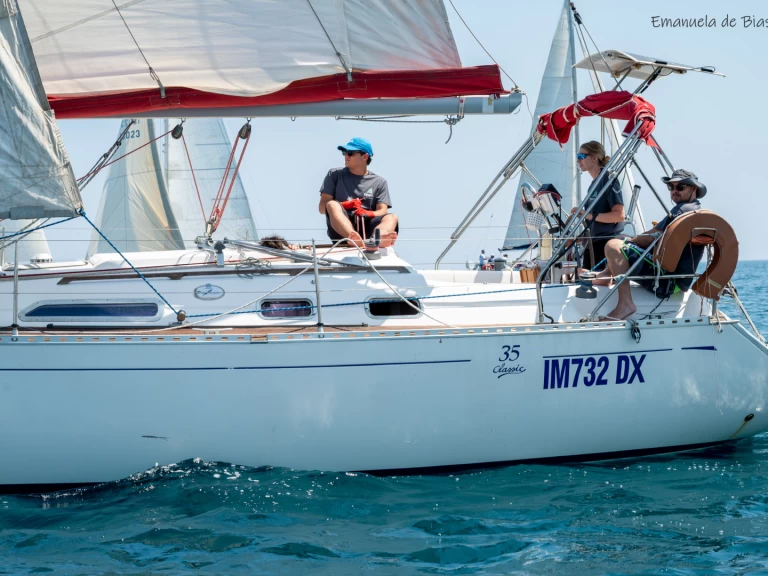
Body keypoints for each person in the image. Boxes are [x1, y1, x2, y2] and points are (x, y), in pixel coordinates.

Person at [594, 169, 707, 320]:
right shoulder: (694, 210)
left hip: (666, 281)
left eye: (680, 187)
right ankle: (607, 275)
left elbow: (651, 237)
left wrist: (628, 241)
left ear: (693, 189)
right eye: (671, 187)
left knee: (613, 245)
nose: (674, 191)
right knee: (621, 239)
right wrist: (628, 240)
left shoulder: (682, 210)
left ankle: (625, 304)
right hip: (676, 282)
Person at [318, 137, 399, 248]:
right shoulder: (334, 175)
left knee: (392, 217)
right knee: (332, 204)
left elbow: (382, 210)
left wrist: (368, 213)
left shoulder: (379, 182)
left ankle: (377, 239)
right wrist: (345, 205)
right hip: (341, 229)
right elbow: (322, 208)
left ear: (365, 156)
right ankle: (353, 238)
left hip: (368, 226)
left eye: (350, 153)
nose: (346, 156)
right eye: (344, 152)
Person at [572, 141, 625, 270]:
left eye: (581, 156)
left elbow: (619, 215)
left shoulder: (608, 179)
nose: (578, 161)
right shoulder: (593, 185)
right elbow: (594, 222)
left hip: (604, 246)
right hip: (592, 245)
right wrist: (576, 239)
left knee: (594, 281)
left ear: (594, 158)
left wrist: (589, 215)